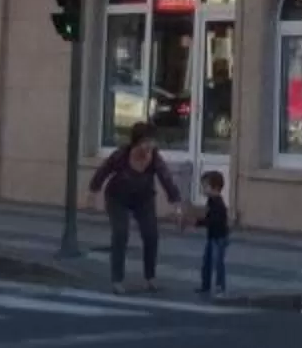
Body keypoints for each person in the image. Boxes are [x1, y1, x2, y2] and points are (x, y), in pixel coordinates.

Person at [88, 121, 181, 289]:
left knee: (151, 234)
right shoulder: (121, 155)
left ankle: (150, 278)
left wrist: (176, 203)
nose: (150, 146)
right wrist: (93, 191)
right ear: (136, 142)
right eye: (146, 142)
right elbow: (103, 171)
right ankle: (117, 280)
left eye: (152, 142)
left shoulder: (154, 158)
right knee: (120, 234)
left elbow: (166, 178)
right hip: (118, 198)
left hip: (143, 200)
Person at [196, 170, 232, 299]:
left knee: (218, 263)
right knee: (207, 262)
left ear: (215, 188)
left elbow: (213, 220)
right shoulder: (211, 201)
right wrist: (200, 222)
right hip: (212, 237)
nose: (203, 190)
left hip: (219, 238)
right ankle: (205, 286)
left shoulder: (218, 203)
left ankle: (220, 287)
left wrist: (201, 222)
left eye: (205, 186)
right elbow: (209, 219)